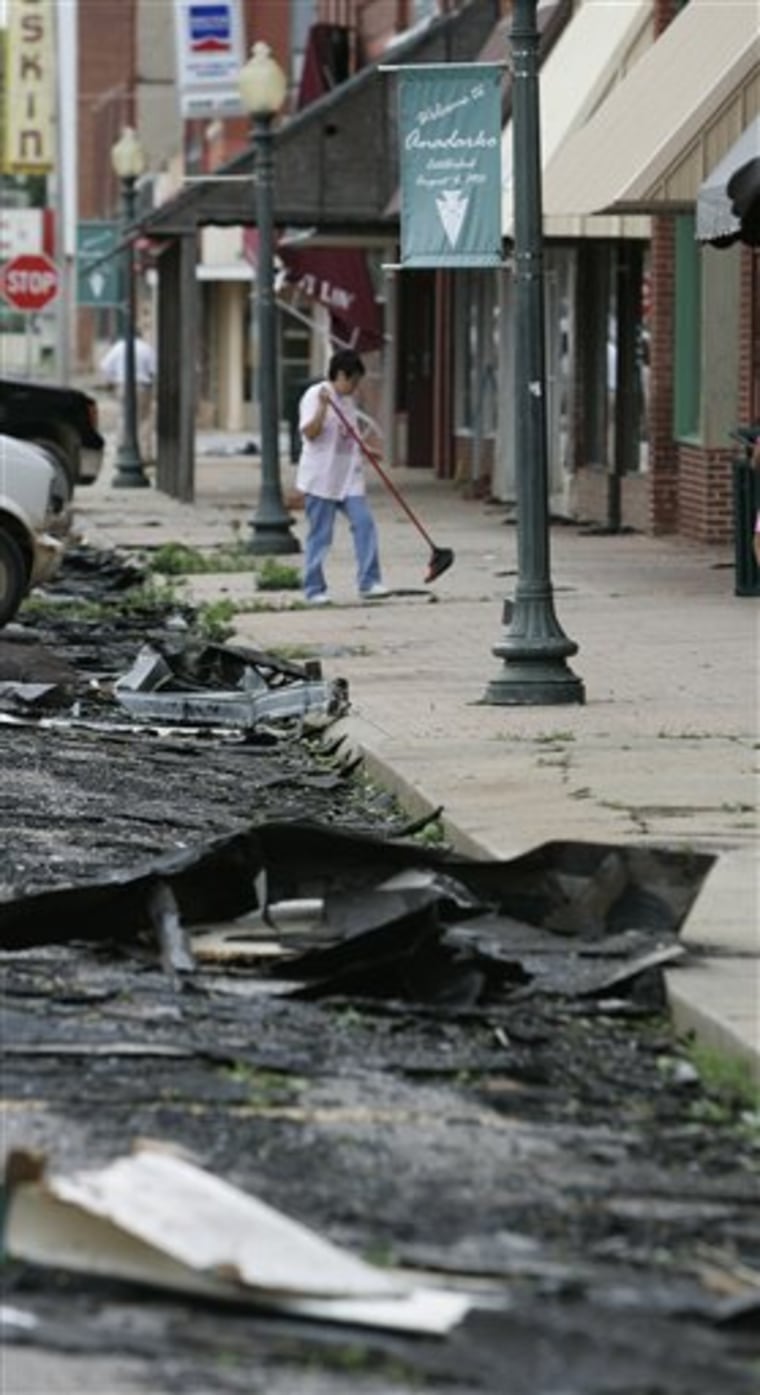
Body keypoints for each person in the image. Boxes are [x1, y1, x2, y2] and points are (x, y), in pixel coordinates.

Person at [296, 348, 389, 605]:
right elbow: (311, 434)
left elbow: (349, 435)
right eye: (354, 381)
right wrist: (323, 409)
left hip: (348, 476)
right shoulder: (315, 395)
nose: (356, 387)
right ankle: (314, 589)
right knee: (321, 534)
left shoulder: (348, 400)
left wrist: (366, 449)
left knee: (364, 524)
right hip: (321, 478)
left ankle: (369, 581)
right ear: (340, 375)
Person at [99, 333, 156, 463]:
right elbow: (153, 370)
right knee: (144, 420)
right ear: (140, 336)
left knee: (123, 417)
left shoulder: (119, 347)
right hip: (142, 386)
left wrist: (113, 379)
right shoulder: (146, 348)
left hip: (122, 384)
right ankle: (144, 454)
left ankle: (122, 450)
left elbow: (105, 366)